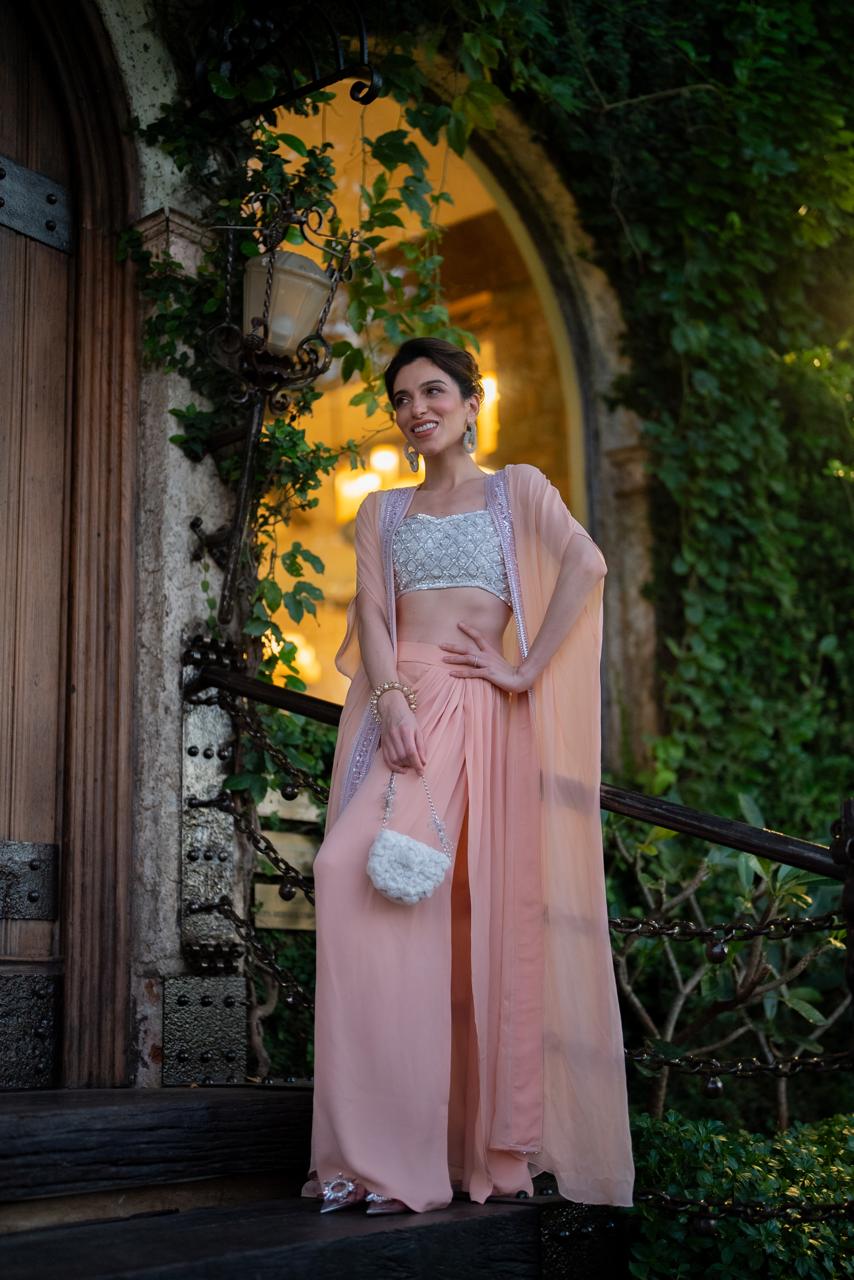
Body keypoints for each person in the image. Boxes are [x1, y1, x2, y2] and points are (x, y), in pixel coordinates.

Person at [301, 337, 634, 1216]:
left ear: (471, 397)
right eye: (404, 397)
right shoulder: (382, 510)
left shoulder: (515, 489)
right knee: (346, 877)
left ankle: (442, 1155)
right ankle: (364, 1156)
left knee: (457, 932)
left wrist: (523, 673)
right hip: (401, 710)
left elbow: (587, 565)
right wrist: (393, 701)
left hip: (482, 718)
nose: (417, 410)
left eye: (434, 390)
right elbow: (371, 610)